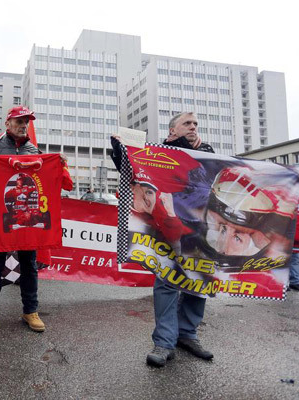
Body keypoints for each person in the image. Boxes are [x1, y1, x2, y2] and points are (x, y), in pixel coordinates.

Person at [112, 112, 214, 367]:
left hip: (200, 232)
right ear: (172, 131)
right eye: (187, 124)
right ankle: (165, 342)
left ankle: (187, 335)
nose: (193, 127)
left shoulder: (207, 151)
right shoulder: (159, 152)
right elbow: (132, 170)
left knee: (198, 284)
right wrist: (119, 150)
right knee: (168, 283)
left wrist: (202, 152)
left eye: (195, 124)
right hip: (168, 232)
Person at [0, 106, 72, 335]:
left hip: (26, 217)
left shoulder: (33, 149)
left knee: (29, 264)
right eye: (19, 121)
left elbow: (63, 184)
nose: (23, 125)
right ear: (7, 123)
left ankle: (31, 310)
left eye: (26, 121)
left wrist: (60, 164)